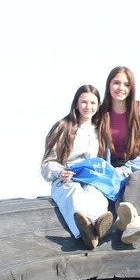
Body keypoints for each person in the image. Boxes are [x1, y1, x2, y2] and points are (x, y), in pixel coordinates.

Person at [40, 85, 115, 249]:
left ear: (98, 105)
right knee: (74, 194)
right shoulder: (63, 127)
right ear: (76, 104)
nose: (88, 107)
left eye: (93, 103)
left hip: (90, 179)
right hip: (67, 178)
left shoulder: (100, 131)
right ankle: (85, 231)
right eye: (84, 102)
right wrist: (59, 172)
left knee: (96, 195)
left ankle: (97, 225)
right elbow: (47, 163)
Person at [97, 66, 140, 244]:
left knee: (133, 178)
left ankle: (128, 218)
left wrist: (126, 168)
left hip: (139, 169)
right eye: (116, 83)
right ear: (109, 85)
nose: (121, 88)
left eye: (126, 84)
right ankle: (131, 224)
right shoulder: (101, 113)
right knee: (118, 187)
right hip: (110, 171)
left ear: (132, 87)